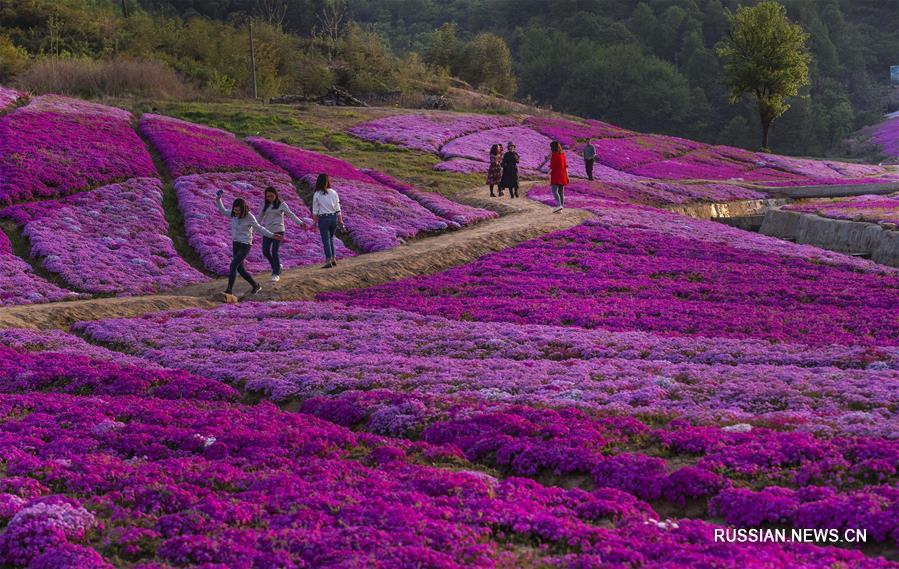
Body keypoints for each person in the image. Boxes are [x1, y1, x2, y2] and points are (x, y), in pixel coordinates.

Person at [215, 190, 280, 296]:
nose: (236, 212)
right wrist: (218, 199)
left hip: (245, 245)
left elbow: (259, 228)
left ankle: (229, 290)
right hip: (235, 244)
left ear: (243, 209)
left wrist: (272, 235)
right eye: (235, 210)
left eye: (238, 210)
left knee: (233, 265)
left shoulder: (249, 217)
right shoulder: (234, 214)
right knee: (240, 269)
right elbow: (222, 210)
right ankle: (255, 285)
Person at [258, 186, 307, 282]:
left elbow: (291, 214)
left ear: (276, 195)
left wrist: (300, 222)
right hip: (267, 231)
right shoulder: (264, 205)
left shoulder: (281, 204)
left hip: (278, 230)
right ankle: (277, 265)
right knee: (265, 251)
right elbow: (259, 217)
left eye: (272, 196)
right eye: (268, 196)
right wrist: (252, 228)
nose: (270, 198)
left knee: (274, 251)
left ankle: (275, 273)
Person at [311, 173, 346, 269]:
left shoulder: (317, 194)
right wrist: (340, 221)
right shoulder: (334, 192)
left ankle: (328, 260)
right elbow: (337, 208)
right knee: (330, 239)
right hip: (333, 218)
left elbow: (315, 211)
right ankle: (334, 259)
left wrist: (314, 223)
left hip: (324, 219)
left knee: (326, 240)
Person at [549, 141, 569, 213]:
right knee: (561, 192)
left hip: (556, 175)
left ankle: (559, 205)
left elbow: (552, 167)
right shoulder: (563, 155)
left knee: (554, 191)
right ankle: (561, 208)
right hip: (563, 175)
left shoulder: (554, 155)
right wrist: (567, 176)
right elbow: (565, 166)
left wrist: (547, 174)